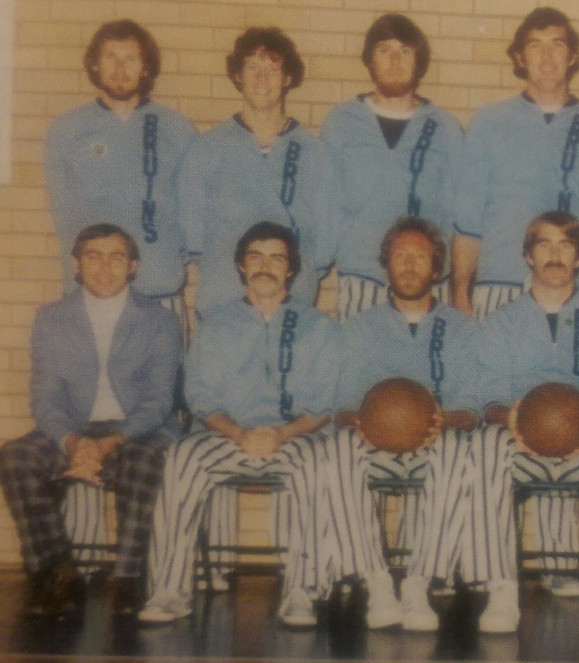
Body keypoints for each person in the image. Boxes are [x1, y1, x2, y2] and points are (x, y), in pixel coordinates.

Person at [138, 222, 341, 627]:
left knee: (320, 464)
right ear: (240, 267)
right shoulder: (216, 325)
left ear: (290, 270)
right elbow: (199, 396)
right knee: (182, 457)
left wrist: (282, 433)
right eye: (255, 257)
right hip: (230, 436)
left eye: (277, 258)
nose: (265, 266)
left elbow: (326, 403)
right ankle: (170, 591)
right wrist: (239, 434)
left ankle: (301, 592)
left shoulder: (319, 327)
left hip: (296, 436)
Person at [465, 211, 579, 635]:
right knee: (484, 445)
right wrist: (510, 420)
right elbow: (488, 396)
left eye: (566, 245)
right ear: (528, 256)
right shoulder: (501, 321)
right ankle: (501, 589)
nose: (555, 255)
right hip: (519, 437)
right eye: (544, 244)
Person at [0, 223, 179, 618]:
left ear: (132, 266)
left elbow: (158, 402)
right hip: (74, 429)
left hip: (137, 430)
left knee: (146, 460)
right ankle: (57, 575)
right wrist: (72, 442)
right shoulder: (51, 319)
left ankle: (129, 578)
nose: (104, 268)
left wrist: (108, 442)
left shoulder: (160, 321)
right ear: (76, 265)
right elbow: (45, 397)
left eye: (116, 258)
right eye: (93, 257)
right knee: (16, 457)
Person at [319, 217, 477, 631]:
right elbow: (338, 406)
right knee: (336, 448)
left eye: (420, 256)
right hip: (375, 441)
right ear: (385, 265)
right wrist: (361, 420)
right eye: (400, 255)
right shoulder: (358, 328)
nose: (408, 265)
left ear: (437, 269)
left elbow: (474, 406)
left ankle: (418, 583)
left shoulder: (462, 328)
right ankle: (377, 583)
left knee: (460, 449)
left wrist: (447, 419)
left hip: (435, 439)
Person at [451, 7, 579, 318]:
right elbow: (468, 220)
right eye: (535, 45)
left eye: (557, 44)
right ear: (519, 57)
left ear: (572, 56)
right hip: (499, 287)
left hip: (572, 291)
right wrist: (460, 294)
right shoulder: (488, 122)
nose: (546, 56)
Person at [317, 14, 462, 320]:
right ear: (369, 60)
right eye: (384, 50)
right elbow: (325, 207)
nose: (395, 61)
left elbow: (457, 213)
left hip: (427, 284)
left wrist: (450, 277)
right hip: (362, 281)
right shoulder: (342, 122)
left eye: (404, 51)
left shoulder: (444, 127)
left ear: (418, 60)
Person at [45, 20, 196, 310]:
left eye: (130, 59)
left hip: (158, 290)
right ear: (95, 64)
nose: (120, 68)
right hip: (91, 293)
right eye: (110, 57)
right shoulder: (67, 130)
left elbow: (192, 211)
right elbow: (64, 216)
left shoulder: (177, 129)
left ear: (145, 67)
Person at [178, 27, 325, 315]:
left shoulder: (315, 153)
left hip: (291, 306)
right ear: (237, 76)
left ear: (287, 78)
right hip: (224, 304)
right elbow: (192, 235)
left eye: (272, 69)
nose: (261, 78)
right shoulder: (206, 149)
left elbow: (325, 242)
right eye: (252, 68)